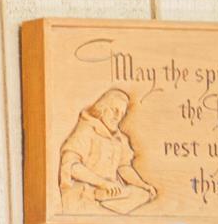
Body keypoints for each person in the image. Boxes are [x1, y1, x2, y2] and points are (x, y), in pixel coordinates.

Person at [56, 86, 157, 214]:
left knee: (142, 194)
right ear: (102, 109)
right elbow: (71, 167)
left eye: (121, 113)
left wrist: (143, 185)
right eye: (114, 110)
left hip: (109, 195)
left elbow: (124, 167)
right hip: (85, 194)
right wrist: (103, 183)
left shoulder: (120, 139)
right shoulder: (86, 131)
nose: (117, 117)